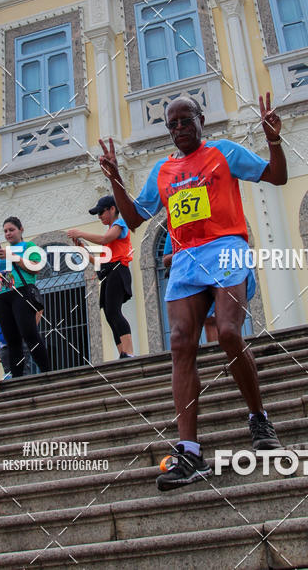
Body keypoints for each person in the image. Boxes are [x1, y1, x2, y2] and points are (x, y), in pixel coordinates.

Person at [99, 92, 288, 490]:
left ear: (201, 119)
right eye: (173, 124)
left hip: (225, 248)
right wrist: (116, 179)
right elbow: (134, 218)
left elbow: (276, 176)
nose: (180, 129)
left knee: (230, 332)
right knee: (182, 342)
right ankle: (189, 452)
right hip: (185, 259)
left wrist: (273, 140)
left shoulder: (223, 152)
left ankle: (258, 417)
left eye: (187, 120)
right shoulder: (162, 171)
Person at [67, 195, 135, 359]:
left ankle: (129, 351)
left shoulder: (119, 224)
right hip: (109, 272)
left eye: (101, 213)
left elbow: (105, 238)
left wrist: (80, 233)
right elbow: (99, 262)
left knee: (114, 310)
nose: (99, 217)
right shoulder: (109, 236)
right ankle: (122, 352)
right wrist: (82, 248)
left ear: (112, 209)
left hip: (119, 270)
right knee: (109, 314)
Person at [0, 216, 50, 377]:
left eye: (11, 230)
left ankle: (47, 372)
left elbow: (35, 267)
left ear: (21, 230)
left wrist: (12, 256)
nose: (8, 234)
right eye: (5, 231)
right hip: (2, 295)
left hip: (21, 291)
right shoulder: (3, 253)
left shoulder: (29, 246)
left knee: (29, 333)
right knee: (11, 339)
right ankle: (17, 376)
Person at [163, 236, 218, 343]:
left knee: (213, 318)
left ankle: (218, 351)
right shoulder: (174, 231)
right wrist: (184, 254)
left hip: (210, 274)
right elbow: (165, 260)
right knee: (188, 323)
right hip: (186, 281)